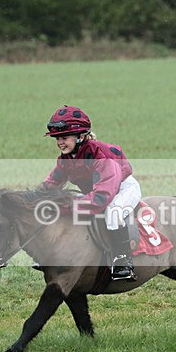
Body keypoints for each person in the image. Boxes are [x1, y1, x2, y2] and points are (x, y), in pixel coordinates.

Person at [41, 105, 141, 281]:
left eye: (64, 137)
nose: (59, 142)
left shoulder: (100, 155)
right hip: (97, 192)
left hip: (122, 189)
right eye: (57, 138)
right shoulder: (66, 159)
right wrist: (32, 200)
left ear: (80, 136)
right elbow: (49, 186)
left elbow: (102, 198)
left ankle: (123, 261)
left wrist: (66, 207)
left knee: (113, 212)